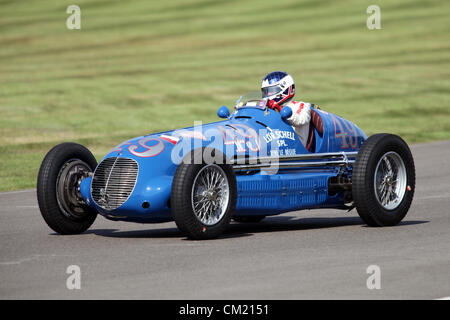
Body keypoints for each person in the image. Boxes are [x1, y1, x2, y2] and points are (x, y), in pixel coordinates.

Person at [261, 71, 313, 147]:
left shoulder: (300, 105)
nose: (267, 95)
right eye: (265, 92)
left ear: (285, 89)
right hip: (272, 147)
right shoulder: (267, 109)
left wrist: (281, 110)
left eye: (271, 91)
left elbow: (301, 119)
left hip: (295, 149)